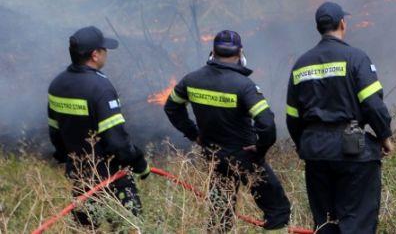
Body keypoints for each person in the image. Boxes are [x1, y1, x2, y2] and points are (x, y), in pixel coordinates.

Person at [163, 30, 291, 232]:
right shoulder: (244, 86)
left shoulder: (191, 80)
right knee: (279, 211)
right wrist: (259, 150)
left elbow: (171, 108)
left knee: (220, 216)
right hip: (245, 156)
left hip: (213, 155)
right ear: (240, 53)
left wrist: (194, 134)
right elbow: (266, 123)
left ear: (212, 52)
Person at [286, 2, 395, 234]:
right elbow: (373, 104)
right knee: (357, 223)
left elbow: (292, 117)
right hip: (352, 151)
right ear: (342, 24)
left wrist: (302, 145)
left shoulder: (300, 65)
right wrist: (384, 136)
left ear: (318, 27)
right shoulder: (356, 58)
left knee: (325, 223)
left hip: (316, 152)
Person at [47, 25, 150, 227]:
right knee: (129, 226)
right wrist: (139, 163)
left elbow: (55, 131)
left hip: (80, 174)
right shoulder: (101, 88)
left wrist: (67, 157)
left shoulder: (57, 84)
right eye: (104, 50)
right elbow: (116, 140)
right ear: (95, 55)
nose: (106, 54)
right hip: (111, 175)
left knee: (85, 228)